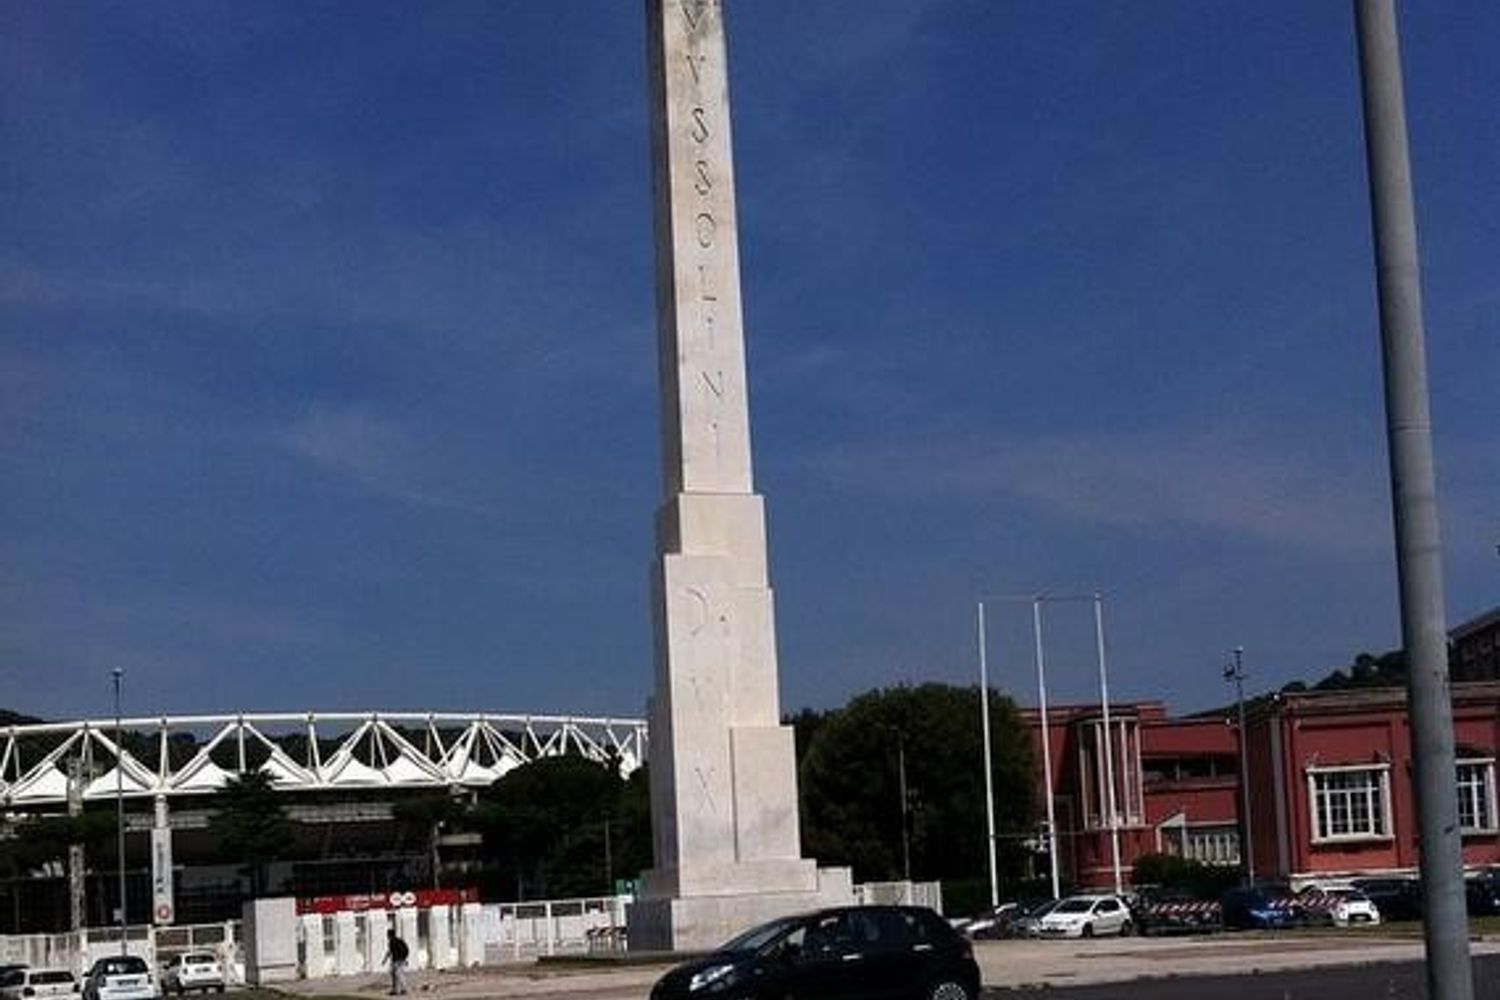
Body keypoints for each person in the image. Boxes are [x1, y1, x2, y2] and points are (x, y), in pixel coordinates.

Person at [383, 928, 410, 995]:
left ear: (390, 935)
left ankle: (403, 989)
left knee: (398, 975)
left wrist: (385, 960)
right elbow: (390, 952)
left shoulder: (392, 942)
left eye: (388, 935)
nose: (387, 936)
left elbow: (390, 952)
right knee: (395, 974)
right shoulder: (398, 941)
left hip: (397, 961)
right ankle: (397, 989)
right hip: (399, 960)